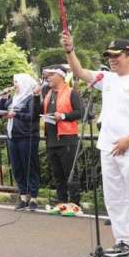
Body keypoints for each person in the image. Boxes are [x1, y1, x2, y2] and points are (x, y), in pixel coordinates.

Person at [62, 35, 129, 257]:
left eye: (117, 56)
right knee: (115, 197)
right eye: (109, 56)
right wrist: (70, 50)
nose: (112, 60)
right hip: (108, 147)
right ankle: (123, 240)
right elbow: (79, 72)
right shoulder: (106, 78)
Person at [40, 67, 84, 216]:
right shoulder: (48, 93)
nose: (48, 77)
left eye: (51, 75)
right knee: (57, 174)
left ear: (60, 76)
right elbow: (39, 111)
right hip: (51, 139)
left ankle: (75, 204)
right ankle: (62, 203)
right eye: (47, 75)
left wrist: (63, 116)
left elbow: (81, 111)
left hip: (67, 138)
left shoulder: (72, 92)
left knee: (70, 173)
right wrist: (35, 97)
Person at [0, 74, 42, 210]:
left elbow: (33, 116)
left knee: (30, 166)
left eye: (16, 82)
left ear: (24, 83)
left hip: (26, 136)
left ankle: (33, 197)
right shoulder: (13, 99)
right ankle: (22, 196)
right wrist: (3, 99)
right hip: (12, 137)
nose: (14, 85)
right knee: (17, 167)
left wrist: (16, 114)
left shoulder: (31, 98)